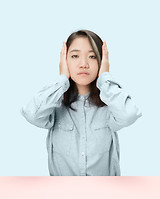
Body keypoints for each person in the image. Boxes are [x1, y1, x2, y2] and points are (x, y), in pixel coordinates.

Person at [20, 29, 142, 176]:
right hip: (63, 193)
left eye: (92, 56)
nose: (83, 64)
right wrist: (62, 79)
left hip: (104, 193)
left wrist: (105, 78)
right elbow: (31, 113)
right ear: (64, 60)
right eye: (75, 56)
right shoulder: (54, 105)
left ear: (101, 61)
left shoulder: (110, 105)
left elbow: (129, 114)